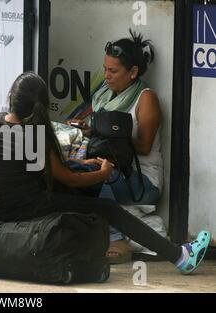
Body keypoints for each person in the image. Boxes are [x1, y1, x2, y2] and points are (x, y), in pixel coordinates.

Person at [0, 71, 211, 275]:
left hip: (6, 205)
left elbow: (36, 166)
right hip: (25, 207)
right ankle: (180, 256)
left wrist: (83, 163)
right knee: (107, 207)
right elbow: (67, 177)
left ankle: (118, 238)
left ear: (12, 97)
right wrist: (102, 173)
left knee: (81, 172)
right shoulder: (32, 134)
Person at [68, 30, 164, 263]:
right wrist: (89, 130)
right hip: (113, 169)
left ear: (132, 72)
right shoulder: (103, 96)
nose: (107, 76)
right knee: (74, 169)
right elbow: (100, 138)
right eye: (105, 69)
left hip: (143, 181)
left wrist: (107, 134)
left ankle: (117, 239)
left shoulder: (146, 98)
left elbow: (143, 146)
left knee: (99, 175)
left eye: (113, 71)